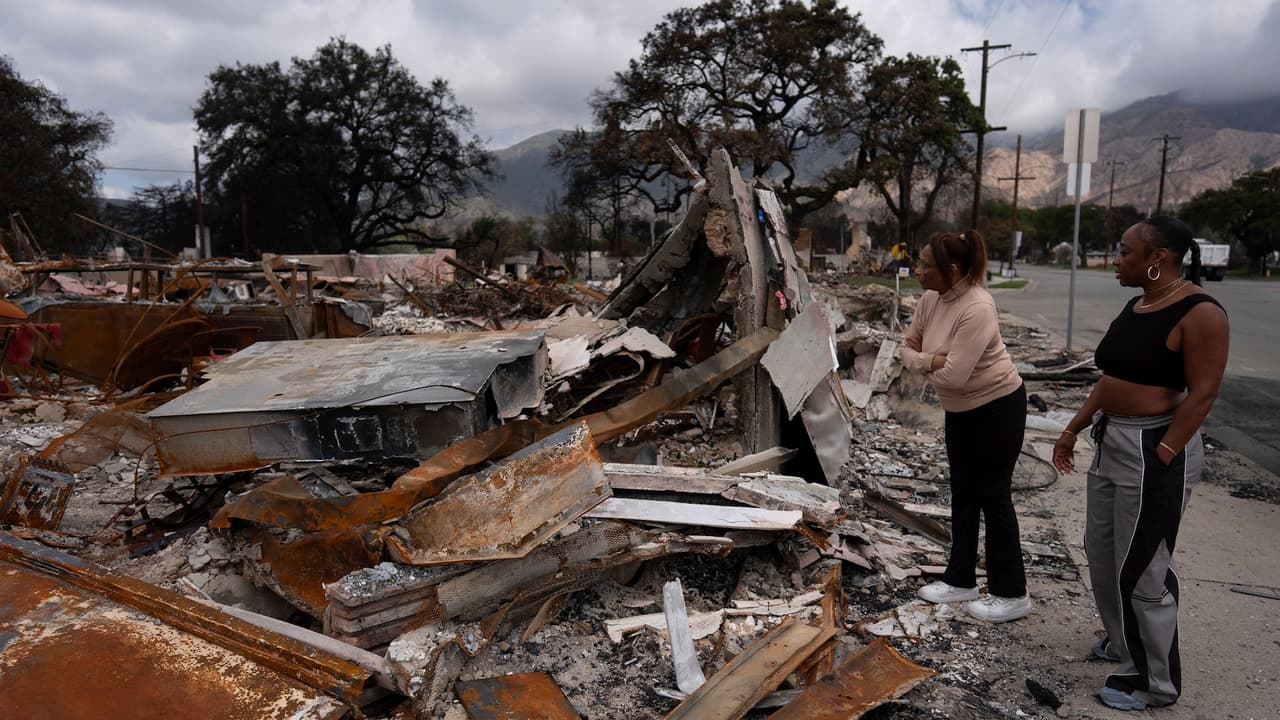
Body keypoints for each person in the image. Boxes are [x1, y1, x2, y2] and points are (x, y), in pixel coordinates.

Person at [1052, 216, 1229, 711]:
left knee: (1144, 564)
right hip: (1115, 441)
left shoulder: (1201, 313)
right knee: (1103, 549)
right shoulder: (1138, 304)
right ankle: (1123, 641)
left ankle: (1155, 681)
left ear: (1158, 259)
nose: (1116, 259)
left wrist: (1167, 452)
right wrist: (1074, 428)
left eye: (1125, 252)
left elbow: (1204, 393)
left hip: (1155, 448)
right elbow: (1112, 379)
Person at [901, 229, 1032, 623]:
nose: (918, 270)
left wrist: (926, 361)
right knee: (962, 493)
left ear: (952, 269)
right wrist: (932, 359)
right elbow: (906, 347)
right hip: (959, 411)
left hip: (997, 407)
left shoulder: (978, 307)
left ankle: (1012, 592)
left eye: (925, 264)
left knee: (993, 496)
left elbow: (954, 376)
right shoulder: (930, 300)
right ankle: (961, 580)